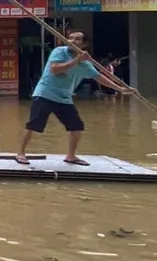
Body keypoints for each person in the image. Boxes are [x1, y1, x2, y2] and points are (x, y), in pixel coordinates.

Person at [16, 31, 134, 167]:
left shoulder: (86, 64)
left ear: (84, 44)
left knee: (77, 127)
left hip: (64, 98)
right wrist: (76, 60)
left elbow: (99, 78)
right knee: (33, 125)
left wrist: (121, 89)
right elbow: (55, 69)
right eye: (70, 38)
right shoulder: (60, 51)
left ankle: (71, 156)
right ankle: (21, 153)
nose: (72, 41)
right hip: (45, 93)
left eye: (77, 39)